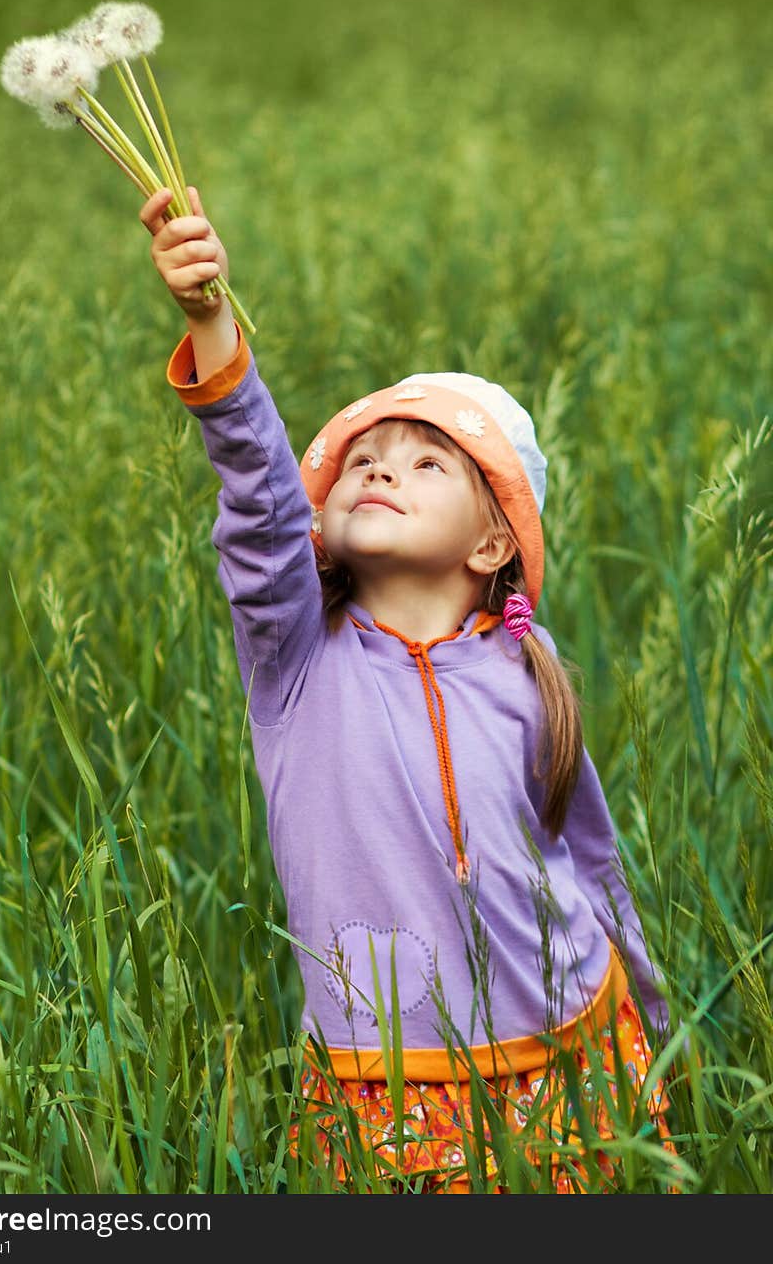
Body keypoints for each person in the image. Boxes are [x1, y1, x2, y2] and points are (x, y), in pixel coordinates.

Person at [140, 185, 673, 1193]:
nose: (382, 472)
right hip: (381, 1074)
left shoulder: (527, 671)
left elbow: (593, 861)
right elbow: (256, 504)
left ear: (489, 542)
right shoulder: (298, 656)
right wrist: (212, 321)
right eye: (363, 460)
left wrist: (652, 1012)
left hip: (564, 1050)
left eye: (429, 462)